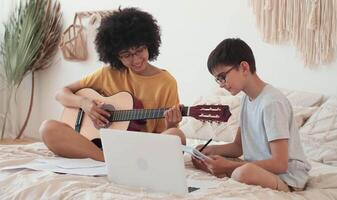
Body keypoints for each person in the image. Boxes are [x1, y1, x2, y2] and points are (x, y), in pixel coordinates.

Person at [40, 7, 186, 162]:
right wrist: (85, 104)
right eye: (126, 55)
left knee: (177, 136)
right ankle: (107, 160)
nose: (135, 60)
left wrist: (171, 124)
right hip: (97, 146)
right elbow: (61, 94)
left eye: (139, 51)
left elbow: (163, 135)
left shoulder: (166, 82)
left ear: (149, 44)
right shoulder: (108, 73)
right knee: (47, 128)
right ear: (115, 56)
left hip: (139, 147)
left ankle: (118, 160)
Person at [192, 38, 310, 192]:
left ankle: (229, 171)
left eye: (223, 76)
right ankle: (225, 169)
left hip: (286, 177)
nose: (221, 84)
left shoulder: (272, 103)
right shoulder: (247, 100)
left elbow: (280, 163)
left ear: (244, 67)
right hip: (259, 169)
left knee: (243, 173)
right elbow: (238, 147)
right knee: (202, 160)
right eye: (217, 80)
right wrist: (210, 150)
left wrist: (229, 166)